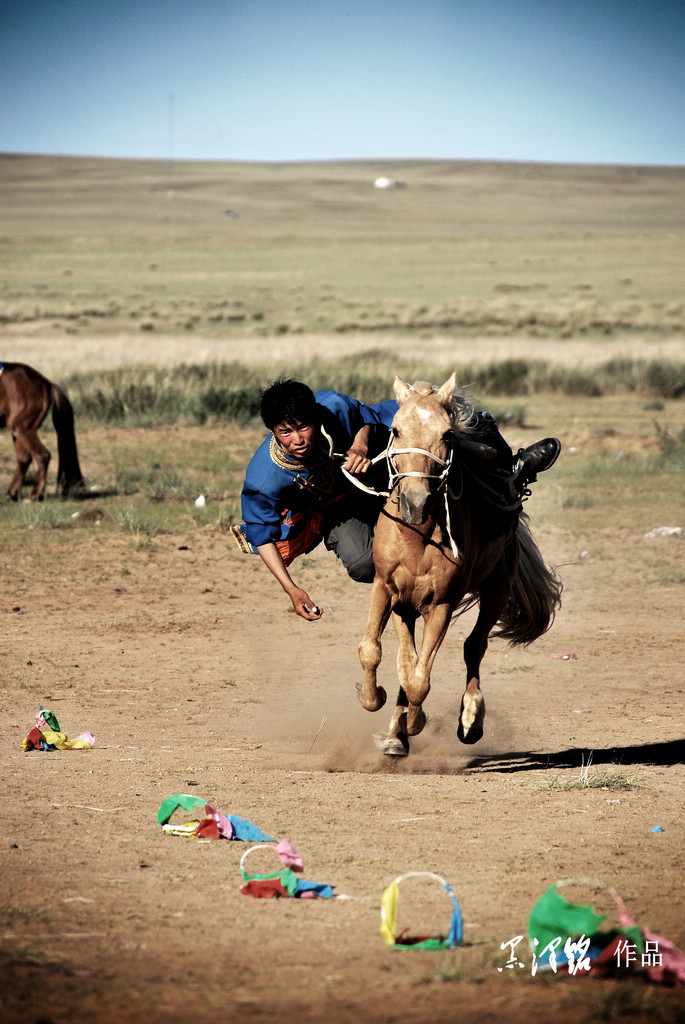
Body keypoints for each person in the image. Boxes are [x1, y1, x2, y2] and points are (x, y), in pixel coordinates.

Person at [231, 378, 560, 621]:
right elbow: (261, 533)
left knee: (444, 435)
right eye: (284, 432)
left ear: (316, 418)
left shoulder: (330, 406)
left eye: (303, 427)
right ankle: (410, 593)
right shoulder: (264, 477)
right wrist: (292, 588)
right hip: (337, 508)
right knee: (363, 564)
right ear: (272, 431)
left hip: (383, 460)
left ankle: (513, 472)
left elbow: (362, 416)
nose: (297, 440)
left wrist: (360, 444)